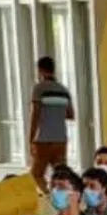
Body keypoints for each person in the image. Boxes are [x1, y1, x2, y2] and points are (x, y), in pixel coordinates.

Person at [28, 56, 75, 192]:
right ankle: (63, 197)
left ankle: (49, 196)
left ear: (40, 70)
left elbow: (35, 114)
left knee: (36, 175)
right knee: (62, 174)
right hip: (61, 138)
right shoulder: (63, 90)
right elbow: (70, 115)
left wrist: (31, 139)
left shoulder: (39, 88)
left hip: (43, 138)